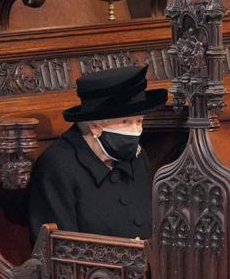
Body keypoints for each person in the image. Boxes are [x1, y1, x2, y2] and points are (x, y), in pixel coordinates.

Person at [27, 65, 167, 241]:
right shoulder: (57, 166)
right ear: (94, 126)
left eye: (139, 121)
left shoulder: (138, 157)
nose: (136, 131)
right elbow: (58, 250)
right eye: (125, 121)